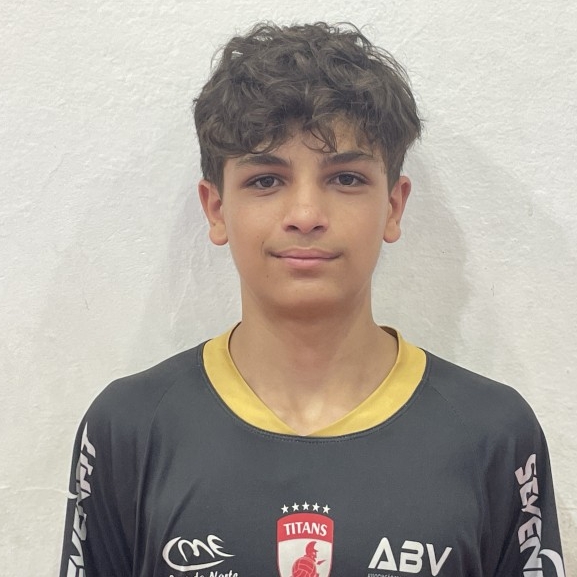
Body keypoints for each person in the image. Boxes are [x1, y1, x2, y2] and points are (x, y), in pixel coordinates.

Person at [59, 22, 566, 577]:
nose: (305, 215)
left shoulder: (494, 434)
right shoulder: (128, 428)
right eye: (265, 180)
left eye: (345, 178)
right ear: (216, 209)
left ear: (393, 207)